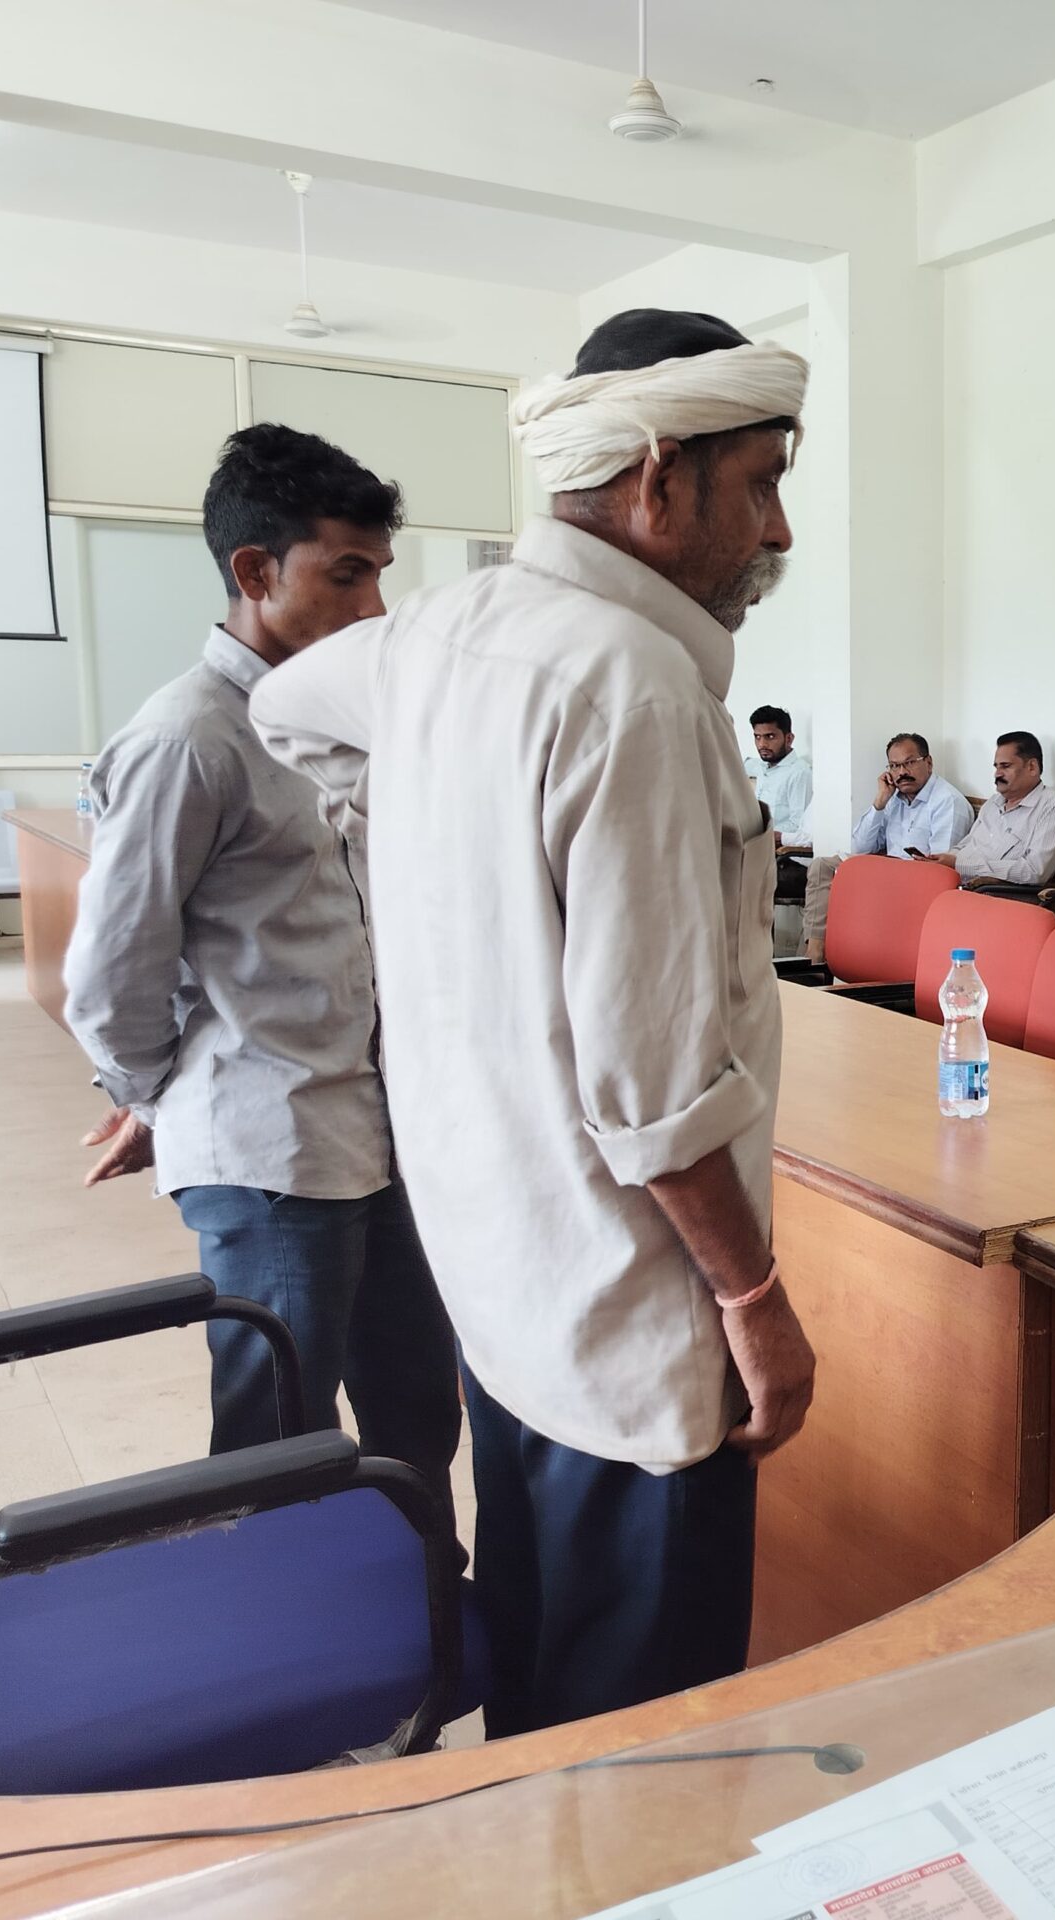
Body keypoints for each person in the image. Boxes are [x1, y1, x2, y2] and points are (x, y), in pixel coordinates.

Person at [250, 307, 818, 1734]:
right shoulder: (633, 686)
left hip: (501, 1286)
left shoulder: (440, 629)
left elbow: (284, 710)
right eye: (762, 483)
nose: (779, 531)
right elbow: (657, 1094)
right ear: (657, 478)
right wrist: (756, 1308)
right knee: (646, 1737)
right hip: (630, 1325)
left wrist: (426, 840)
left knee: (538, 1665)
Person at [64, 426, 459, 1500]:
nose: (373, 608)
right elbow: (112, 971)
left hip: (379, 1132)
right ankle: (291, 1611)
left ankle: (421, 1594)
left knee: (419, 1411)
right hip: (271, 1152)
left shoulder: (342, 722)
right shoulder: (188, 738)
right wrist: (161, 1096)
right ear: (254, 572)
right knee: (278, 1438)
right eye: (347, 574)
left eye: (379, 574)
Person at [799, 731, 973, 963]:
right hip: (888, 872)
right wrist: (880, 802)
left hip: (918, 880)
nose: (902, 772)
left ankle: (827, 963)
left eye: (909, 763)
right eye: (894, 766)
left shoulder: (947, 801)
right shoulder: (893, 798)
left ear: (929, 763)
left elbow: (940, 868)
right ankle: (814, 955)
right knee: (823, 866)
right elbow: (859, 847)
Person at [924, 730, 1055, 891]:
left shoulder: (1052, 806)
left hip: (996, 894)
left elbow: (1034, 871)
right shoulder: (994, 803)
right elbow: (966, 845)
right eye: (996, 767)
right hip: (957, 885)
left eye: (1006, 766)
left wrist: (959, 864)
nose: (997, 774)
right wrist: (943, 859)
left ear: (1032, 767)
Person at [745, 704, 813, 841]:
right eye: (757, 737)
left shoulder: (799, 772)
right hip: (753, 842)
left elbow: (797, 824)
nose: (762, 744)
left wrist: (762, 836)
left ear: (789, 739)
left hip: (776, 847)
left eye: (770, 736)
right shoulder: (760, 765)